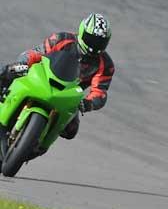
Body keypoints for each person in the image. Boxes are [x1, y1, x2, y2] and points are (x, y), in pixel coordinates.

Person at [0, 13, 114, 145]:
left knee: (71, 131)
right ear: (82, 31)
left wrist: (87, 103)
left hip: (68, 95)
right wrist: (24, 63)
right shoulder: (62, 39)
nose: (94, 46)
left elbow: (99, 92)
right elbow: (36, 52)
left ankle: (37, 144)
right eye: (91, 39)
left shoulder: (105, 64)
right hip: (42, 77)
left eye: (100, 42)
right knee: (7, 71)